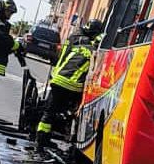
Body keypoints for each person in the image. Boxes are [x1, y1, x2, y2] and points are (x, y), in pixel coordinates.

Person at [34, 19, 104, 153]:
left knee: (49, 113)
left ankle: (41, 141)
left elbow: (61, 57)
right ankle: (69, 143)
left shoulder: (74, 39)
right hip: (73, 85)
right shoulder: (91, 48)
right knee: (73, 114)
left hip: (58, 79)